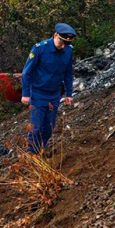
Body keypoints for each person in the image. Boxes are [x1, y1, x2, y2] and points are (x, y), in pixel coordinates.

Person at [20, 23, 76, 155]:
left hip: (55, 95)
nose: (63, 46)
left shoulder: (68, 50)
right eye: (61, 42)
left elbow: (68, 73)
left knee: (49, 128)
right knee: (36, 127)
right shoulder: (40, 48)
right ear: (55, 35)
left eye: (66, 44)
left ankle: (40, 149)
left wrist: (69, 93)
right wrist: (26, 94)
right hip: (38, 94)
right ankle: (31, 154)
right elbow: (26, 73)